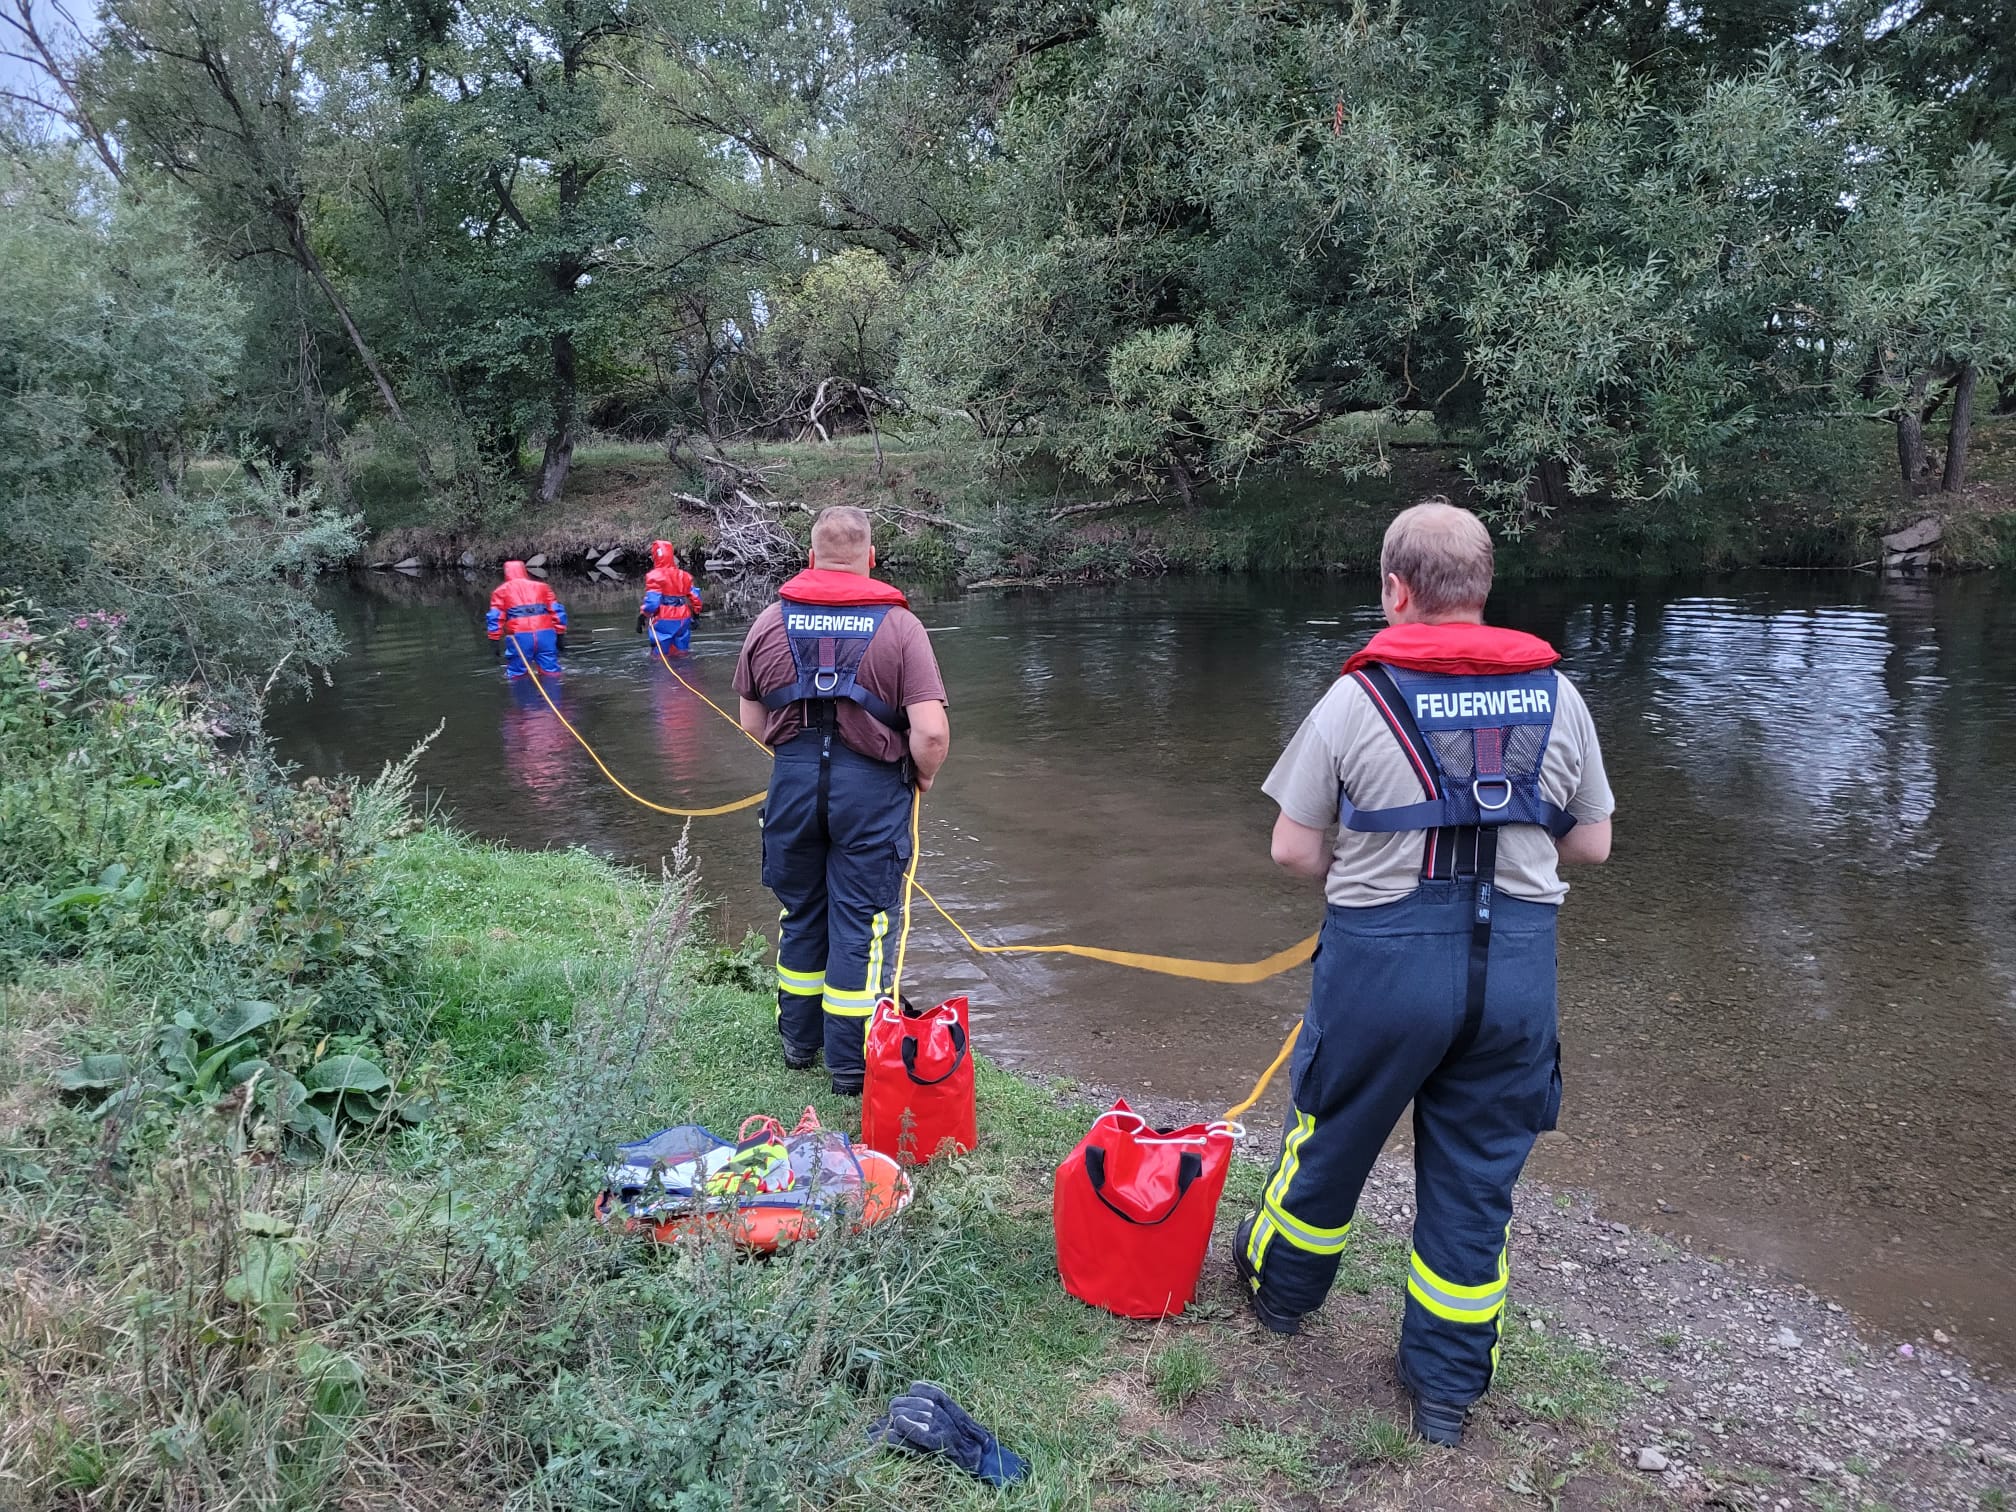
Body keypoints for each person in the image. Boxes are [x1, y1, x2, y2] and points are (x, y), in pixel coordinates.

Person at [1238, 500, 1614, 1448]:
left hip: (1383, 967)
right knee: (1479, 1176)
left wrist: (1362, 873)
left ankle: (1282, 1300)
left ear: (1396, 591)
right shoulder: (1558, 696)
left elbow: (1290, 848)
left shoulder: (1358, 697)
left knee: (1331, 1134)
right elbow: (1596, 844)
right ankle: (1444, 1392)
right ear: (1485, 591)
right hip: (1515, 972)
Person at [733, 506, 951, 1095]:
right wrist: (922, 777)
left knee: (802, 911)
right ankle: (851, 1069)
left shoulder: (769, 621)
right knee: (861, 921)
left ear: (810, 558)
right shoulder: (901, 627)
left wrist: (801, 756)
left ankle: (798, 1045)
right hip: (873, 790)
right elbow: (929, 733)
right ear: (870, 558)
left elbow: (752, 720)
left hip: (794, 785)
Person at [486, 561, 568, 678]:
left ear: (506, 573)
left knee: (517, 673)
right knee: (551, 671)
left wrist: (494, 642)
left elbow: (495, 618)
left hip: (519, 637)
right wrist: (560, 636)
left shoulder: (500, 592)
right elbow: (557, 612)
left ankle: (522, 694)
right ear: (524, 570)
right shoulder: (543, 587)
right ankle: (554, 693)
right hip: (545, 634)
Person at [638, 539, 705, 654]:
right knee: (682, 651)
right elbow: (696, 598)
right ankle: (686, 671)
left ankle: (662, 671)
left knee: (660, 654)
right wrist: (696, 615)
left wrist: (643, 616)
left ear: (655, 556)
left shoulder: (654, 576)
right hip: (684, 618)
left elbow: (653, 603)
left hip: (664, 618)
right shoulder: (684, 575)